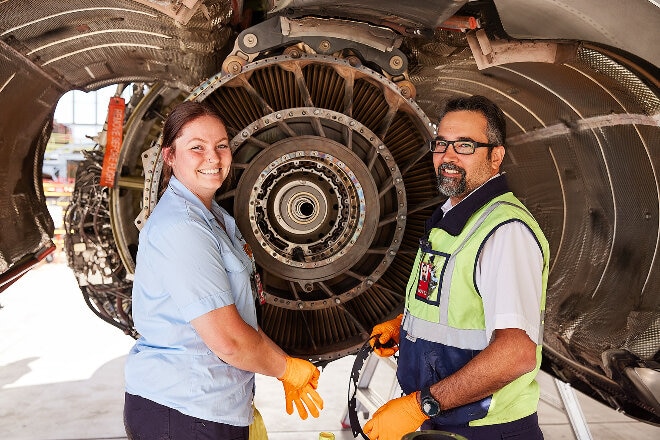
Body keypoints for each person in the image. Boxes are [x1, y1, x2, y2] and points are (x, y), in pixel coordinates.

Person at [124, 101, 323, 440]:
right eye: (196, 148)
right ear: (170, 156)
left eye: (221, 146)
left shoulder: (214, 217)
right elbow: (228, 341)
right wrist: (286, 369)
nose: (213, 158)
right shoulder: (183, 227)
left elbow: (237, 321)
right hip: (184, 411)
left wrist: (280, 367)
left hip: (209, 407)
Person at [364, 95, 549, 440]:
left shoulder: (504, 232)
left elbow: (516, 353)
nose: (447, 157)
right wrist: (406, 326)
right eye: (441, 144)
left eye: (464, 145)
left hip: (489, 431)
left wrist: (422, 405)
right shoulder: (453, 220)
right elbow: (462, 310)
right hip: (450, 424)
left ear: (496, 156)